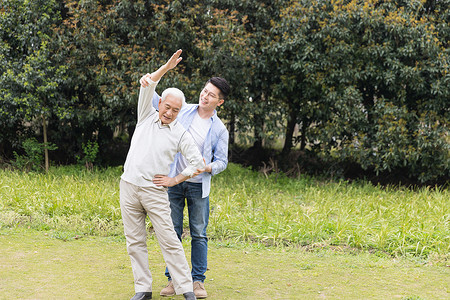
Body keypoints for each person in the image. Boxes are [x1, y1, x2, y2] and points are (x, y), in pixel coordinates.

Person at [120, 49, 205, 300]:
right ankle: (143, 289)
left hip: (155, 192)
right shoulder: (145, 115)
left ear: (180, 112)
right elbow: (149, 84)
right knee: (134, 242)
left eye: (176, 110)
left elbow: (198, 163)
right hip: (128, 186)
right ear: (160, 104)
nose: (169, 112)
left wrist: (175, 179)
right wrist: (166, 68)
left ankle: (186, 289)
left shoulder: (180, 133)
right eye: (167, 107)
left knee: (169, 241)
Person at [141, 64, 230, 299]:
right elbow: (156, 101)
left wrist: (207, 166)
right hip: (173, 181)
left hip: (199, 186)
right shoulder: (185, 110)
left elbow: (222, 161)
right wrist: (148, 81)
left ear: (219, 102)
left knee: (199, 234)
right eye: (204, 90)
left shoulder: (220, 130)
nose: (205, 95)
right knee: (173, 232)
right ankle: (174, 280)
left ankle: (198, 281)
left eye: (211, 95)